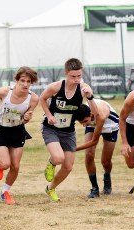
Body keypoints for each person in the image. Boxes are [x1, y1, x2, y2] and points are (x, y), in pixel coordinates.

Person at [39, 58, 98, 202]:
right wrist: (49, 115)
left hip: (68, 131)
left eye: (79, 76)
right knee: (59, 158)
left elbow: (95, 113)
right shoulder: (56, 87)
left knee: (68, 166)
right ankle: (52, 162)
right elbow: (42, 99)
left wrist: (90, 97)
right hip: (51, 128)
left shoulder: (83, 88)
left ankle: (51, 188)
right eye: (73, 76)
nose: (77, 79)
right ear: (66, 73)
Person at [0, 67, 39, 205]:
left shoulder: (33, 98)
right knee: (5, 164)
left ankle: (5, 192)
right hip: (0, 130)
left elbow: (26, 118)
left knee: (15, 166)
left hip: (17, 130)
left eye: (28, 81)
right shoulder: (6, 92)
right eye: (22, 81)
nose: (25, 84)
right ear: (16, 80)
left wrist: (27, 117)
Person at [75, 98, 120, 198]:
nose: (83, 125)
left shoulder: (101, 115)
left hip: (110, 125)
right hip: (93, 123)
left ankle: (107, 177)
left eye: (84, 121)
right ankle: (95, 188)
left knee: (105, 161)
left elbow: (93, 142)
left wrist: (73, 148)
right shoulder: (84, 113)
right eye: (80, 122)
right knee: (89, 155)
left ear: (91, 113)